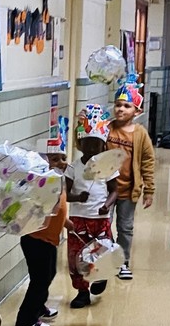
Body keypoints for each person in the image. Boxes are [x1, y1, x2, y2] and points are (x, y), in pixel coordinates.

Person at [65, 105, 118, 309]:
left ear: (103, 146)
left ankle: (100, 276)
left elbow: (115, 191)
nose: (92, 149)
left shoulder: (107, 166)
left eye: (96, 145)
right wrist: (77, 197)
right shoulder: (73, 168)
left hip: (100, 219)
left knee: (101, 251)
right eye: (88, 144)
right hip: (78, 219)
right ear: (81, 144)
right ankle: (82, 292)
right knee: (77, 256)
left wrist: (107, 205)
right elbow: (65, 194)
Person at [14, 151, 71, 326]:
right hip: (36, 240)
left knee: (49, 274)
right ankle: (26, 320)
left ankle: (38, 307)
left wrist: (67, 223)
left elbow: (57, 211)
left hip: (48, 240)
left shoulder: (56, 181)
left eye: (63, 158)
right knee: (40, 280)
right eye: (55, 159)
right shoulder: (41, 184)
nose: (61, 162)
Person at [106, 83, 156, 280]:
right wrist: (83, 125)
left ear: (137, 111)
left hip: (128, 189)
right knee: (103, 225)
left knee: (125, 228)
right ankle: (104, 258)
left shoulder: (140, 133)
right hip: (106, 190)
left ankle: (123, 262)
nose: (121, 109)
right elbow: (89, 146)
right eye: (118, 105)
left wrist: (149, 190)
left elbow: (148, 161)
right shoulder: (106, 128)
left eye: (127, 106)